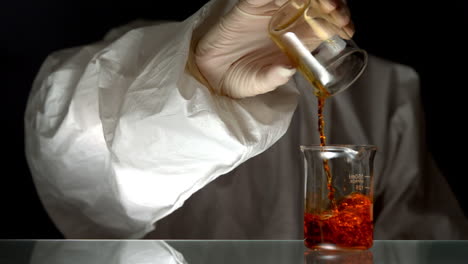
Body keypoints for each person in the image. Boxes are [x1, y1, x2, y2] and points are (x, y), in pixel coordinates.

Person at [24, 0, 468, 239]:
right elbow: (81, 185)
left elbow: (424, 244)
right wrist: (198, 77)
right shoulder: (132, 61)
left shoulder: (386, 90)